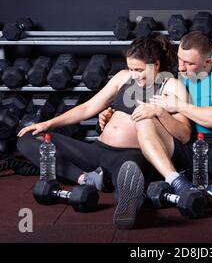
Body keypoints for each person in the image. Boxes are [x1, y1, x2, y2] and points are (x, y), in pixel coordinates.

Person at [17, 35, 191, 229]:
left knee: (128, 179)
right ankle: (87, 179)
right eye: (131, 68)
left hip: (131, 156)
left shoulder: (171, 86)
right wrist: (48, 124)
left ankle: (129, 203)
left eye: (139, 70)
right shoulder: (123, 77)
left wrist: (159, 112)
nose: (134, 75)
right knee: (29, 139)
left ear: (156, 65)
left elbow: (184, 134)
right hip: (98, 151)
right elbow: (87, 108)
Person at [100, 31, 212, 208]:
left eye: (189, 63)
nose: (181, 67)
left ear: (207, 61)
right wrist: (112, 113)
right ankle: (176, 181)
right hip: (185, 148)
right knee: (146, 118)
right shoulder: (177, 77)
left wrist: (180, 106)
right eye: (180, 59)